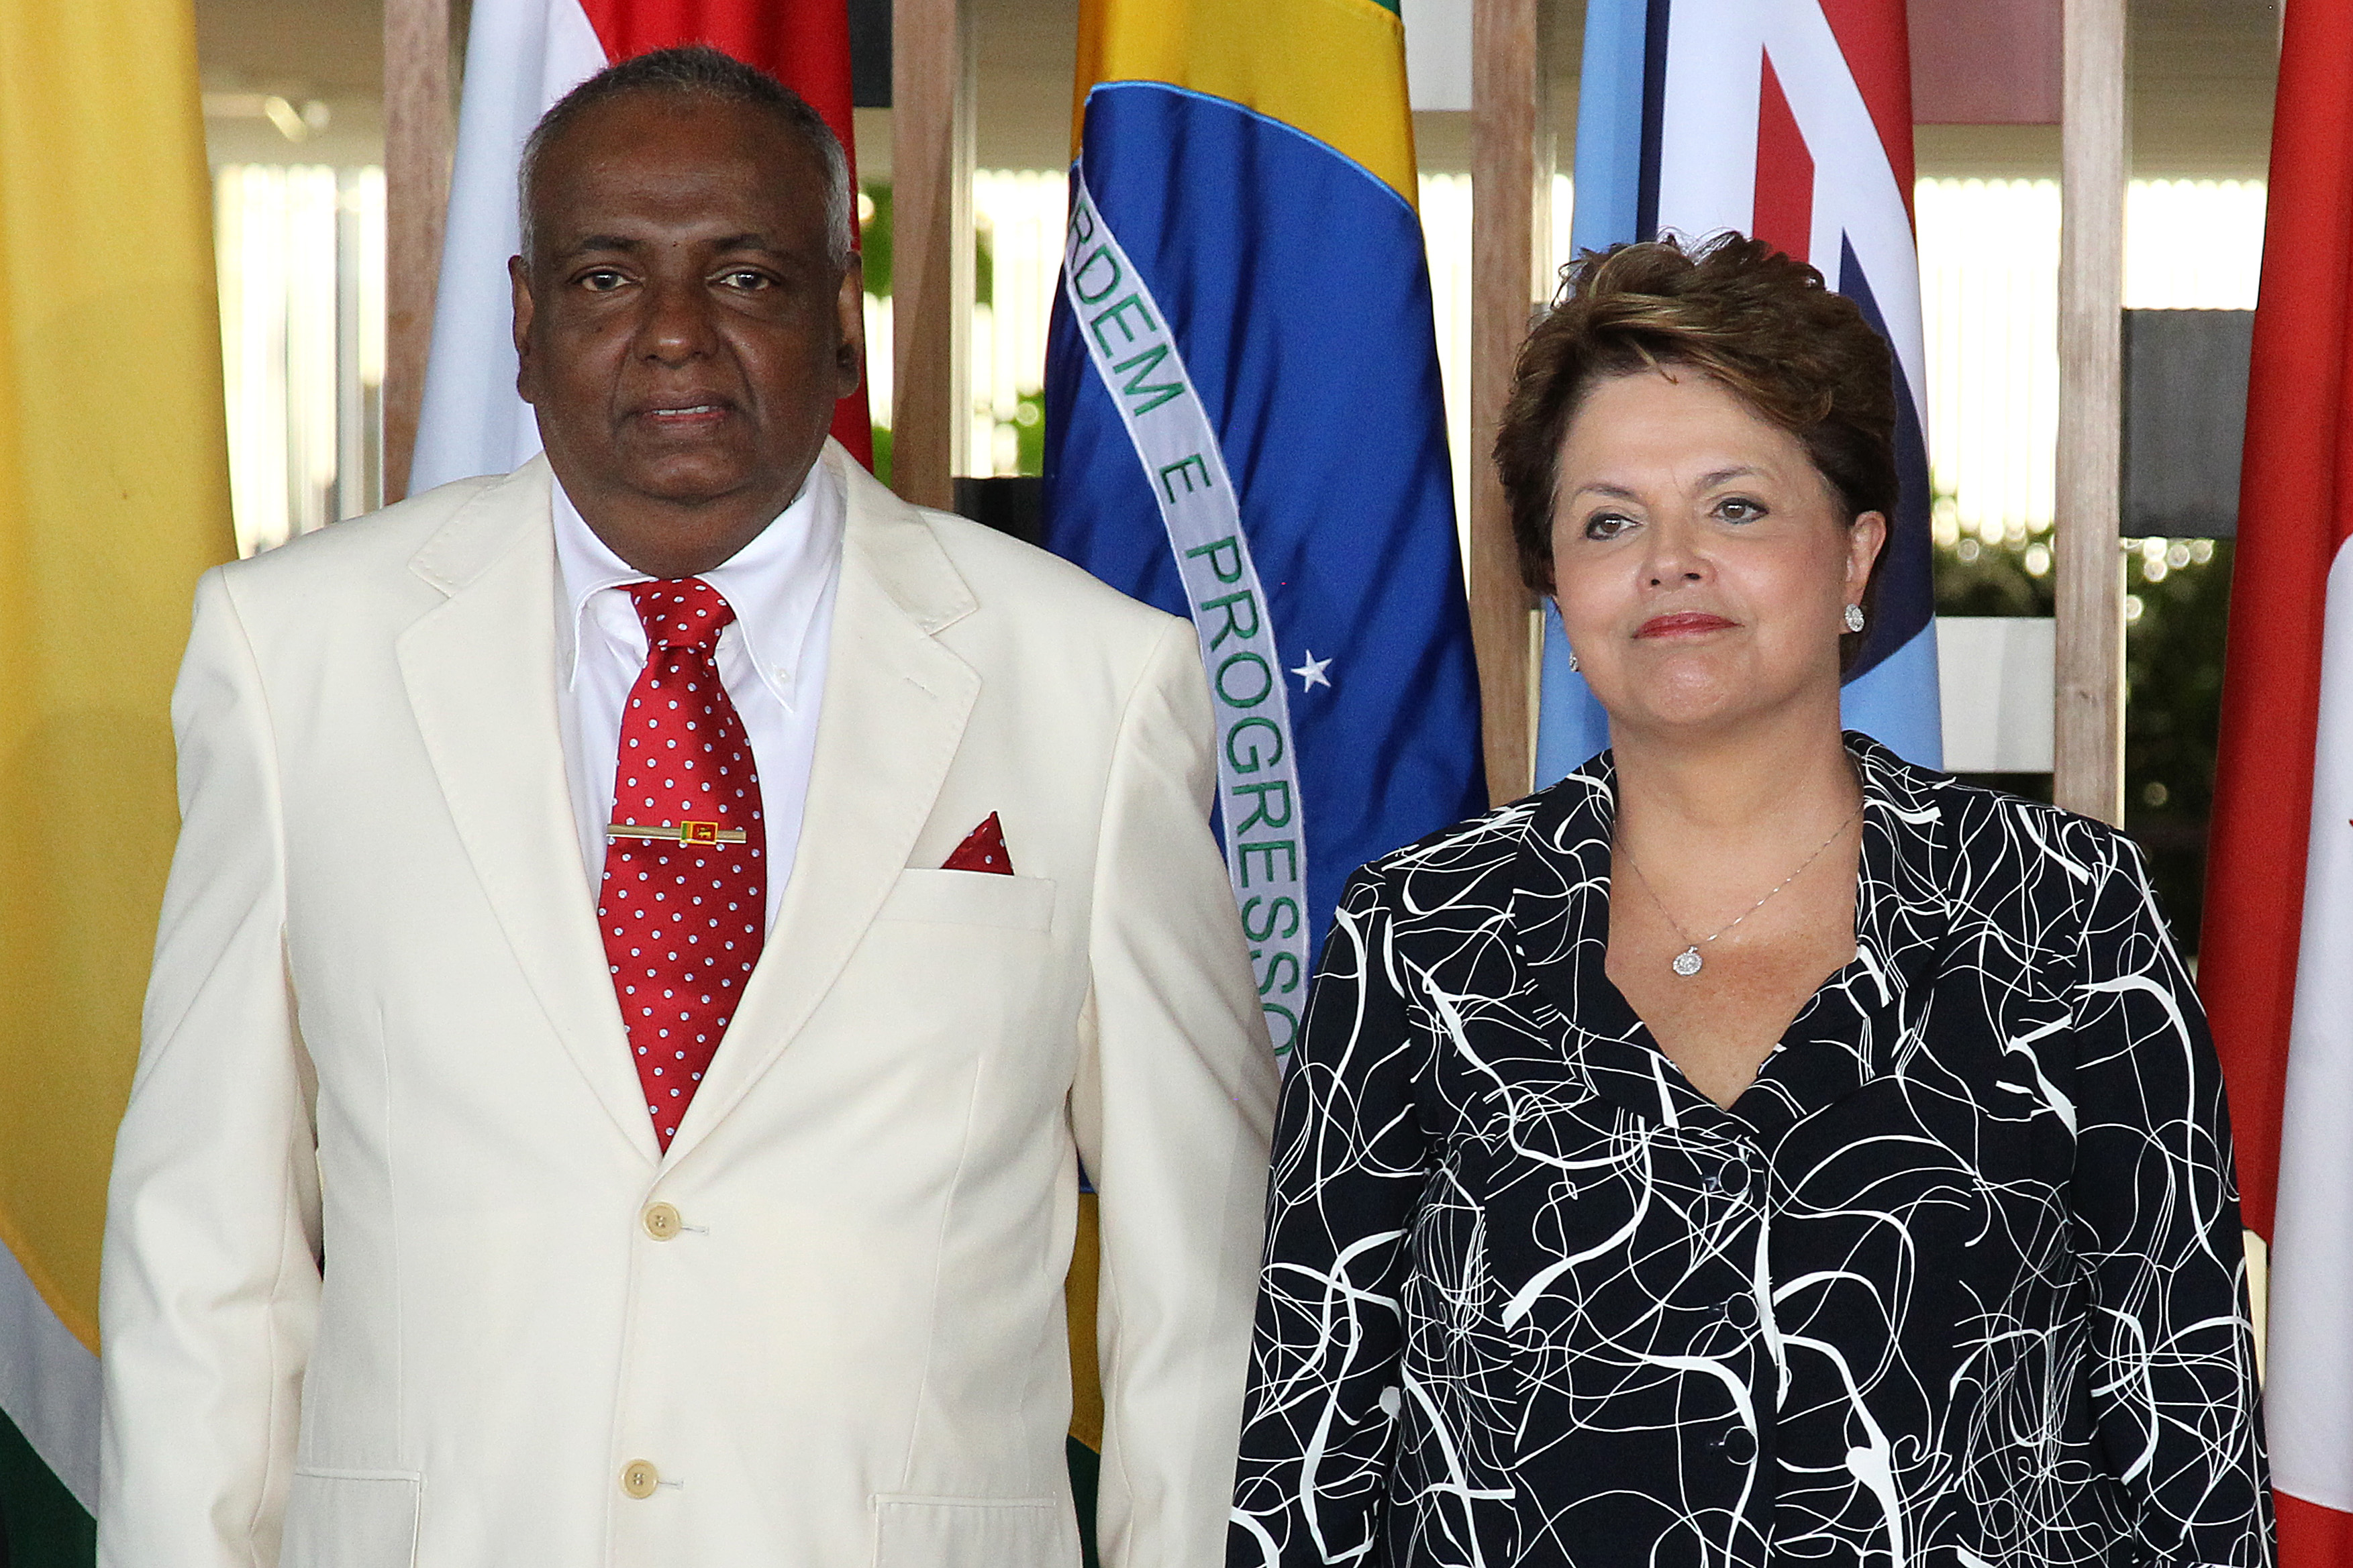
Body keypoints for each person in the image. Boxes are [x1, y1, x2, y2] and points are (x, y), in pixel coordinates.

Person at [101, 46, 1276, 1568]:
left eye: (743, 275)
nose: (671, 337)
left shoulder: (1093, 684)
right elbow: (209, 1256)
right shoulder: (293, 655)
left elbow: (1203, 1295)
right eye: (604, 277)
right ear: (522, 324)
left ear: (841, 317)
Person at [1226, 235, 2270, 1567]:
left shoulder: (2065, 916)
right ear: (1556, 587)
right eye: (1609, 519)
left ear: (1852, 557)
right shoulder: (1418, 938)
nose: (1669, 561)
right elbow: (1307, 1457)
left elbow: (2184, 1443)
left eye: (1734, 506)